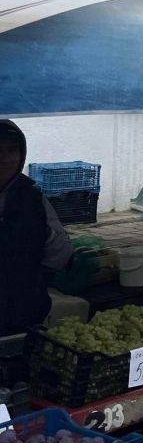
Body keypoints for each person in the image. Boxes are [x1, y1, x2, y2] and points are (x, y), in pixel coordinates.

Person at [0, 120, 74, 338]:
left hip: (23, 310)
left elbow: (60, 250)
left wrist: (30, 277)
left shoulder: (32, 197)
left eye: (12, 150)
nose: (5, 159)